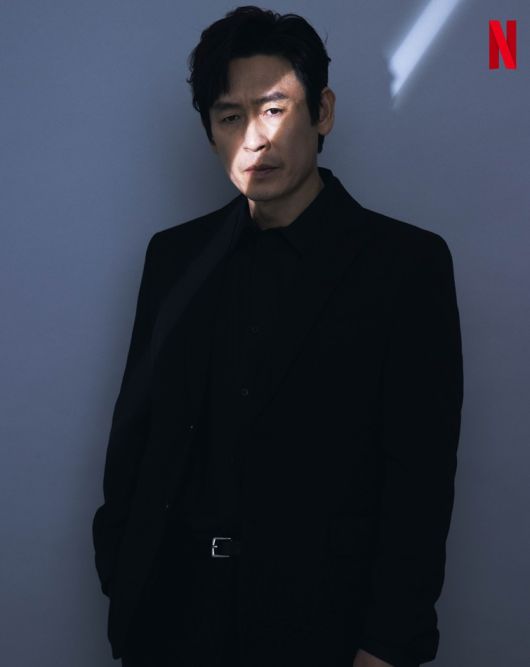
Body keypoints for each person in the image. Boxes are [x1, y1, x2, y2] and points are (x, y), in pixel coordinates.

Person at [92, 6, 463, 667]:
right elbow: (136, 437)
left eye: (274, 110)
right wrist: (123, 575)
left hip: (320, 626)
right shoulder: (174, 257)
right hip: (172, 619)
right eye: (229, 117)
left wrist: (387, 644)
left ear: (323, 112)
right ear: (209, 133)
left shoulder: (406, 265)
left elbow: (420, 480)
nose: (254, 139)